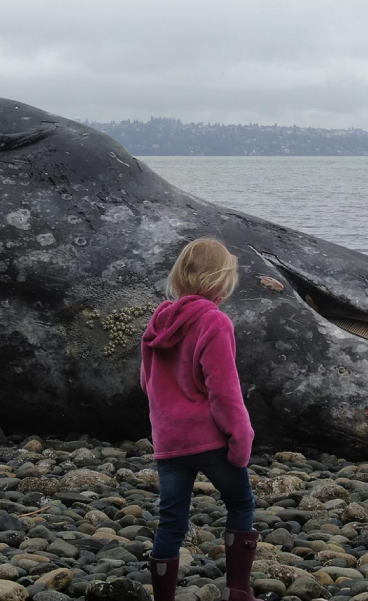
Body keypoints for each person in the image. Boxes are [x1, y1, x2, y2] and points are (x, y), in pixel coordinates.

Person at [140, 238, 259, 601]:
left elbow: (147, 383)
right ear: (221, 281)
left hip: (169, 441)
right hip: (210, 440)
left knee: (171, 519)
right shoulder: (215, 322)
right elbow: (224, 389)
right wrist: (241, 436)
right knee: (240, 503)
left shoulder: (159, 321)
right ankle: (237, 591)